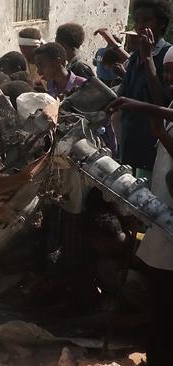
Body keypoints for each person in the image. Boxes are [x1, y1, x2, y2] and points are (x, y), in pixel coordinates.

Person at [106, 46, 173, 366]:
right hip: (162, 217)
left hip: (169, 223)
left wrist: (152, 118)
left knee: (165, 303)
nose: (170, 79)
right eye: (169, 72)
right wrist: (147, 62)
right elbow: (162, 105)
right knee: (161, 299)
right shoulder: (169, 106)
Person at [116, 0, 172, 179]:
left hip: (153, 147)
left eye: (146, 20)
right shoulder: (135, 57)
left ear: (162, 23)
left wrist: (148, 59)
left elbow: (163, 104)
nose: (140, 26)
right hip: (130, 140)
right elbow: (124, 92)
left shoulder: (167, 56)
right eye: (137, 21)